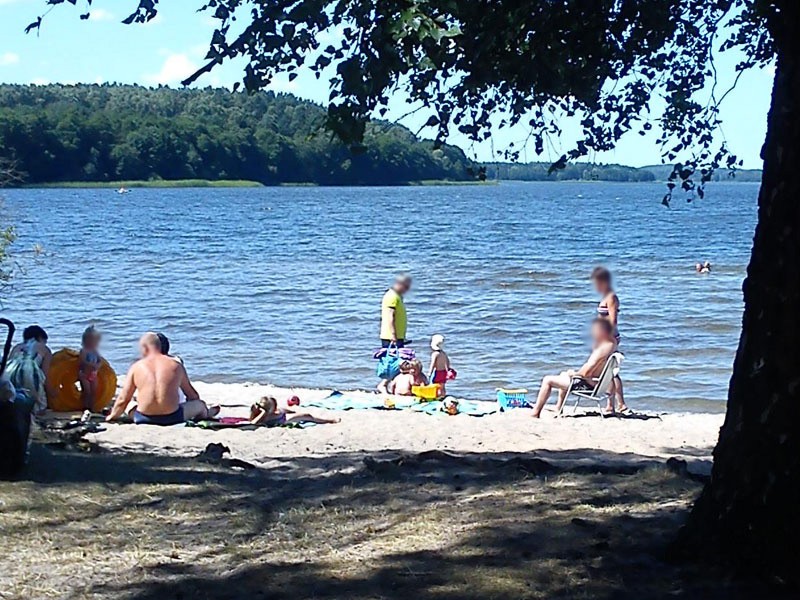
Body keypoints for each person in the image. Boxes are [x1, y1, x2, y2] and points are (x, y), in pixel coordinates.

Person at [106, 332, 216, 425]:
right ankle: (206, 414)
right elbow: (192, 395)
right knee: (200, 404)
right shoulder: (176, 365)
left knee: (129, 404)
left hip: (142, 418)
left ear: (145, 348)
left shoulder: (136, 366)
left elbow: (123, 399)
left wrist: (112, 417)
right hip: (173, 417)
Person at [531, 319, 617, 418]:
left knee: (547, 380)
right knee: (563, 374)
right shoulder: (611, 344)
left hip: (588, 385)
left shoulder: (601, 350)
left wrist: (574, 374)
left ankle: (536, 413)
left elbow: (586, 373)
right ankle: (559, 407)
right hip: (597, 384)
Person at [591, 267, 629, 414]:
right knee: (608, 371)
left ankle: (619, 404)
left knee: (611, 371)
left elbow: (613, 320)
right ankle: (612, 404)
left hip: (609, 336)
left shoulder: (611, 297)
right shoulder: (605, 297)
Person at [5, 325, 53, 413]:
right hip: (30, 377)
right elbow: (45, 375)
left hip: (10, 376)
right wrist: (51, 392)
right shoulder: (45, 349)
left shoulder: (17, 347)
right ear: (40, 338)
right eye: (45, 341)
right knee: (39, 407)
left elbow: (9, 363)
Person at [249, 396, 340, 426]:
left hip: (280, 415)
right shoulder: (263, 416)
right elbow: (253, 423)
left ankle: (293, 412)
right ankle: (330, 421)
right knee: (307, 416)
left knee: (282, 409)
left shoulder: (271, 411)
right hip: (282, 420)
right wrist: (264, 412)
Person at [380, 274, 411, 348]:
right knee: (392, 355)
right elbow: (390, 316)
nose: (407, 290)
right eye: (406, 287)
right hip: (391, 337)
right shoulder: (392, 296)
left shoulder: (397, 296)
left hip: (398, 336)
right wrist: (393, 335)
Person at [78, 326, 102, 410]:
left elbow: (100, 360)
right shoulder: (84, 350)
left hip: (93, 374)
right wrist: (91, 364)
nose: (92, 342)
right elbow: (82, 361)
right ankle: (85, 407)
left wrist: (98, 365)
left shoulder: (94, 351)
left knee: (94, 391)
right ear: (85, 340)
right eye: (90, 339)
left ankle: (92, 407)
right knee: (87, 391)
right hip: (84, 374)